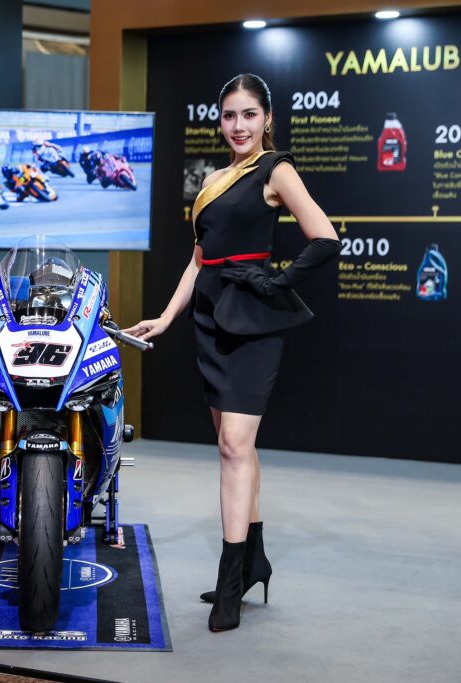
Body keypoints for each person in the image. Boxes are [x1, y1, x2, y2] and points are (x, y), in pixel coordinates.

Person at [124, 73, 340, 632]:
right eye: (229, 115)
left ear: (267, 118)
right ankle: (253, 563)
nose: (238, 126)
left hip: (253, 324)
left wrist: (277, 281)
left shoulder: (275, 170)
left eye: (249, 114)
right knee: (235, 447)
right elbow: (201, 258)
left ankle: (228, 580)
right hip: (208, 320)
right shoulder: (214, 179)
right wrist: (167, 317)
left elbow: (325, 237)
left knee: (233, 446)